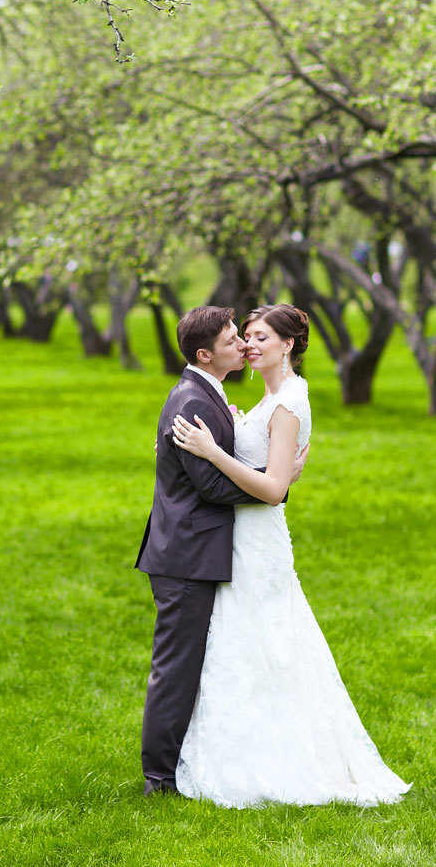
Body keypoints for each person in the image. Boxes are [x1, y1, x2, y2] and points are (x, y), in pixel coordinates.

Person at [168, 303, 410, 808]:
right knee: (244, 643)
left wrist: (215, 452)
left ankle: (278, 761)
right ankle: (237, 748)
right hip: (242, 536)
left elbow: (275, 488)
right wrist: (236, 433)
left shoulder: (288, 401)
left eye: (259, 337)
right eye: (246, 337)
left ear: (287, 345)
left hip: (258, 541)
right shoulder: (271, 396)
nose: (249, 345)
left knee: (270, 642)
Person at [136, 305, 305, 797]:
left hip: (193, 548)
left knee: (195, 662)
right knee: (177, 666)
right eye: (234, 340)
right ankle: (160, 777)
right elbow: (210, 485)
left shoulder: (206, 394)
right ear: (206, 354)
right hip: (186, 554)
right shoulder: (193, 400)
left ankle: (182, 763)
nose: (244, 346)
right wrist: (277, 486)